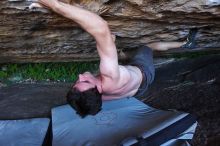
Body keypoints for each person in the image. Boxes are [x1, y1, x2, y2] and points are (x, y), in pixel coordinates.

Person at [29, 0, 197, 116]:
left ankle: (120, 54)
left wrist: (110, 46)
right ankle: (185, 43)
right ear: (98, 89)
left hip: (136, 90)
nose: (80, 76)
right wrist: (56, 5)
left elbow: (91, 106)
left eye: (77, 81)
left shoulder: (97, 99)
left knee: (123, 55)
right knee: (148, 47)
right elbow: (101, 27)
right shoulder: (109, 74)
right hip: (144, 71)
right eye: (85, 81)